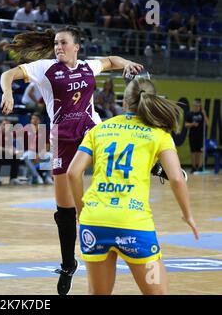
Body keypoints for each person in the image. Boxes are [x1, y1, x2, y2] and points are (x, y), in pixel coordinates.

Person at [0, 26, 144, 295]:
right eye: (56, 43)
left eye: (63, 43)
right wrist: (7, 91)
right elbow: (9, 73)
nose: (58, 47)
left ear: (76, 46)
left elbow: (111, 60)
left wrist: (127, 63)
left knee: (115, 143)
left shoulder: (89, 66)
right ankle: (68, 264)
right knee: (64, 212)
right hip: (63, 140)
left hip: (90, 131)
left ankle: (153, 165)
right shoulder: (45, 68)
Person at [66, 77, 199, 295]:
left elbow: (73, 172)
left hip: (94, 222)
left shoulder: (100, 129)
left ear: (124, 102)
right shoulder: (159, 134)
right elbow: (176, 178)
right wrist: (188, 215)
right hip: (133, 224)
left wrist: (82, 213)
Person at [185, 98, 209, 173]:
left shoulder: (202, 114)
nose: (196, 107)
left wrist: (204, 114)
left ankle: (200, 166)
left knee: (200, 151)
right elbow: (186, 124)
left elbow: (207, 123)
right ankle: (193, 167)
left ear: (200, 106)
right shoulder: (190, 114)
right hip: (192, 135)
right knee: (193, 151)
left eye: (198, 105)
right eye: (195, 105)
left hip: (201, 136)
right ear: (193, 105)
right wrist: (192, 124)